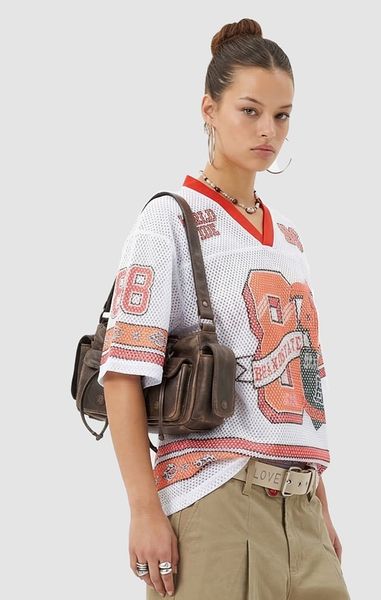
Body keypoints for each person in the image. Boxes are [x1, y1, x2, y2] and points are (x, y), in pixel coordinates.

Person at [98, 17, 351, 600]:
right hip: (215, 500)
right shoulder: (169, 220)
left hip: (302, 509)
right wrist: (143, 510)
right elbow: (123, 372)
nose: (268, 130)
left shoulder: (289, 239)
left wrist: (320, 504)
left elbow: (303, 383)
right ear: (209, 109)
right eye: (250, 110)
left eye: (282, 115)